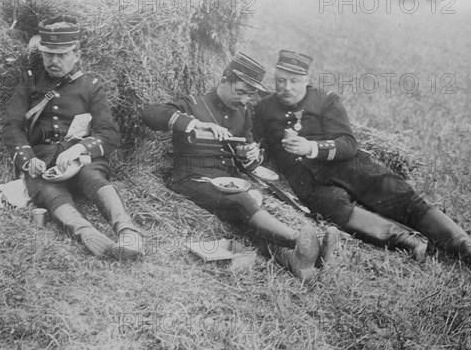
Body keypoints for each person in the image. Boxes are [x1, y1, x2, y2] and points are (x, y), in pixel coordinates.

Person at [253, 50, 471, 271]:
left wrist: (312, 147)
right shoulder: (264, 108)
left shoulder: (326, 101)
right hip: (306, 180)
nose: (286, 87)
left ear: (306, 79)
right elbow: (255, 140)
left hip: (346, 164)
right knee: (334, 210)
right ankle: (406, 239)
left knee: (397, 194)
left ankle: (466, 247)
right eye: (280, 81)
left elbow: (348, 143)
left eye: (294, 81)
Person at [141, 52, 338, 281]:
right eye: (241, 92)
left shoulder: (242, 114)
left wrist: (251, 154)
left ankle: (296, 260)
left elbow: (246, 153)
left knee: (248, 212)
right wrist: (194, 124)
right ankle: (298, 240)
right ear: (223, 81)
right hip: (191, 180)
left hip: (227, 182)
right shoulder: (193, 104)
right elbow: (150, 114)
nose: (245, 100)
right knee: (243, 201)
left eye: (250, 95)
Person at [2, 15, 143, 260]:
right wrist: (28, 160)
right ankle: (88, 235)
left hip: (82, 158)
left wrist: (78, 150)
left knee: (93, 176)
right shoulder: (29, 83)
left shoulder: (91, 86)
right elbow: (12, 127)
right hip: (43, 160)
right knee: (47, 190)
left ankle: (128, 233)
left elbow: (109, 134)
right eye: (48, 54)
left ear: (77, 54)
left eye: (62, 55)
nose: (53, 61)